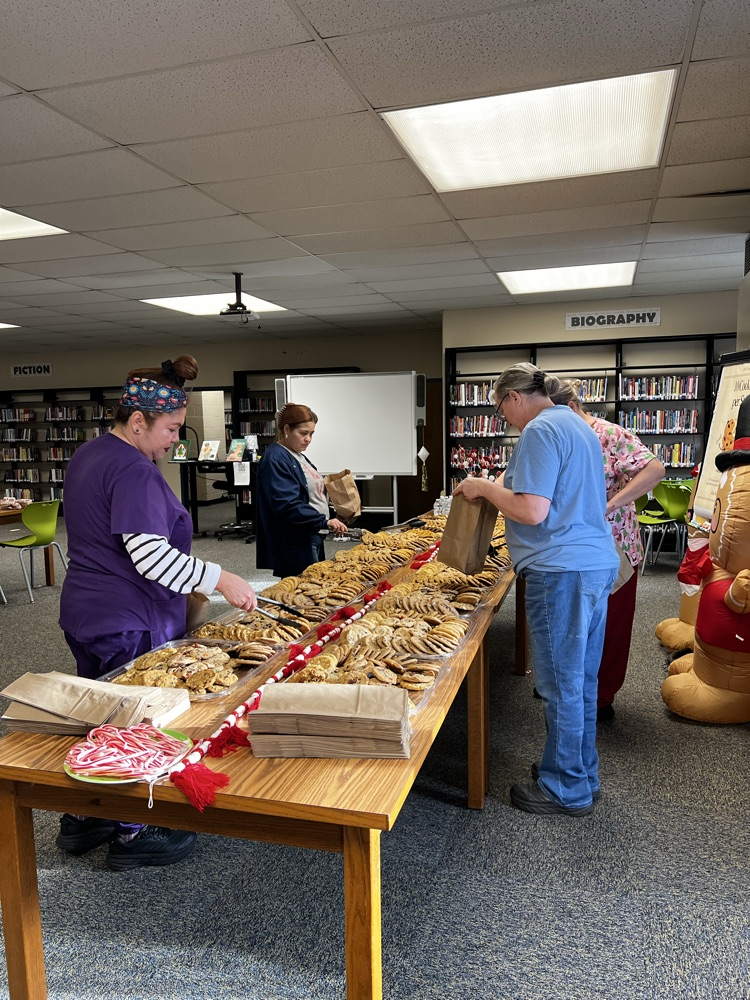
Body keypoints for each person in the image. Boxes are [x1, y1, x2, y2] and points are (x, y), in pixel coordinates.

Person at [58, 355, 257, 870]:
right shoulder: (133, 470)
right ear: (139, 421)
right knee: (137, 722)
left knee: (98, 715)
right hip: (128, 616)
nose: (176, 441)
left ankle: (85, 817)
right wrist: (221, 578)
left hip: (87, 610)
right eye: (170, 429)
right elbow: (150, 558)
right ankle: (134, 832)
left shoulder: (89, 454)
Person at [453, 363, 618, 817]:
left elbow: (531, 511)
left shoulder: (540, 430)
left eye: (501, 408)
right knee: (581, 679)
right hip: (592, 562)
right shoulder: (576, 423)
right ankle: (581, 771)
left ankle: (566, 788)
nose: (505, 418)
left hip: (560, 569)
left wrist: (484, 487)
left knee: (560, 683)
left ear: (513, 398)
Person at [546, 377, 666, 721]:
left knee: (610, 623)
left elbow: (654, 468)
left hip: (613, 545)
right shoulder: (557, 436)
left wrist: (610, 504)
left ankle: (601, 696)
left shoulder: (609, 435)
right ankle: (570, 688)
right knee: (572, 622)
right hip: (570, 547)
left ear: (570, 409)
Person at [255, 402, 347, 578]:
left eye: (312, 434)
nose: (308, 439)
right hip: (296, 539)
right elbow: (286, 504)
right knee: (303, 593)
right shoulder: (276, 457)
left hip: (311, 532)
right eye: (303, 433)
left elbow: (311, 494)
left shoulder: (296, 454)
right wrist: (323, 521)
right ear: (287, 429)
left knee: (313, 587)